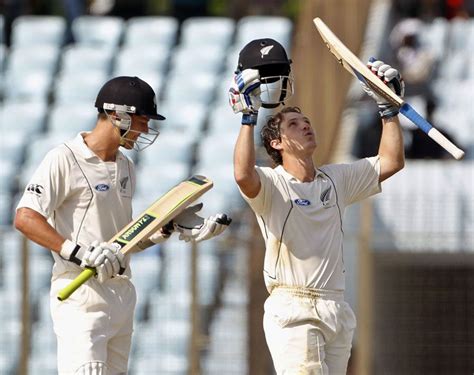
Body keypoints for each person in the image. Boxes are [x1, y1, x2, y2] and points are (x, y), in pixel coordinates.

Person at [14, 76, 231, 374]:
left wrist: (166, 228)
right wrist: (78, 252)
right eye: (142, 120)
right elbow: (25, 217)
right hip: (80, 291)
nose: (144, 129)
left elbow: (123, 241)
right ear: (117, 114)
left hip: (121, 293)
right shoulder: (64, 158)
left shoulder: (126, 166)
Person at [229, 39, 405, 374]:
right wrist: (248, 116)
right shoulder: (272, 184)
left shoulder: (335, 179)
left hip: (335, 307)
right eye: (293, 124)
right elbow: (242, 175)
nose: (306, 125)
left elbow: (392, 161)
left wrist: (389, 109)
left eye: (306, 120)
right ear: (277, 143)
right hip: (294, 308)